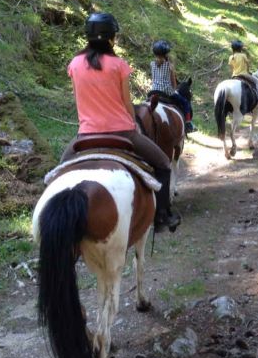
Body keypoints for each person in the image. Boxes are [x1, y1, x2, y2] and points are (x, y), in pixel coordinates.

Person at [61, 13, 180, 231]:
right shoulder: (118, 65)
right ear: (111, 38)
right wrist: (133, 123)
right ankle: (162, 216)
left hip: (86, 134)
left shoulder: (75, 64)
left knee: (58, 172)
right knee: (163, 164)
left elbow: (77, 98)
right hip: (122, 133)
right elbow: (127, 103)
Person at [150, 40, 196, 133]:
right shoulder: (169, 66)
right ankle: (188, 123)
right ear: (166, 54)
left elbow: (153, 78)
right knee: (185, 103)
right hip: (166, 92)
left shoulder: (152, 64)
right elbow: (173, 84)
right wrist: (174, 89)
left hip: (153, 91)